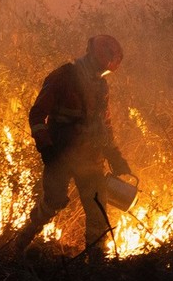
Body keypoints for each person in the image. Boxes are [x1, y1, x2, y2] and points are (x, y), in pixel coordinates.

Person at [15, 35, 132, 261]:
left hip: (90, 160)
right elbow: (37, 114)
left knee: (98, 214)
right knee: (52, 204)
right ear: (92, 57)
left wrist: (115, 156)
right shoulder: (63, 77)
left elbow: (104, 125)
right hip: (60, 155)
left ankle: (95, 266)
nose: (103, 72)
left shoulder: (101, 85)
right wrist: (46, 148)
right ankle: (21, 242)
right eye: (101, 66)